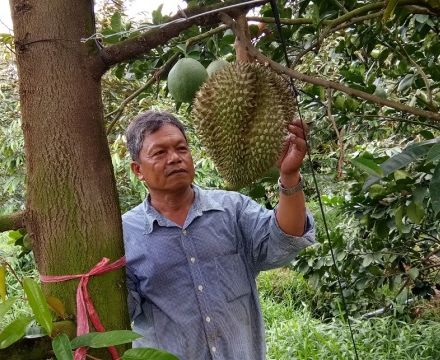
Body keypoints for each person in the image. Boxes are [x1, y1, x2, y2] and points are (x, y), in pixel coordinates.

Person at [122, 110, 315, 360]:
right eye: (160, 153)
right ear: (137, 170)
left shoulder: (233, 210)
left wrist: (289, 176)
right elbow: (120, 310)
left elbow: (284, 241)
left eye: (182, 149)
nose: (175, 158)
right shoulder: (126, 233)